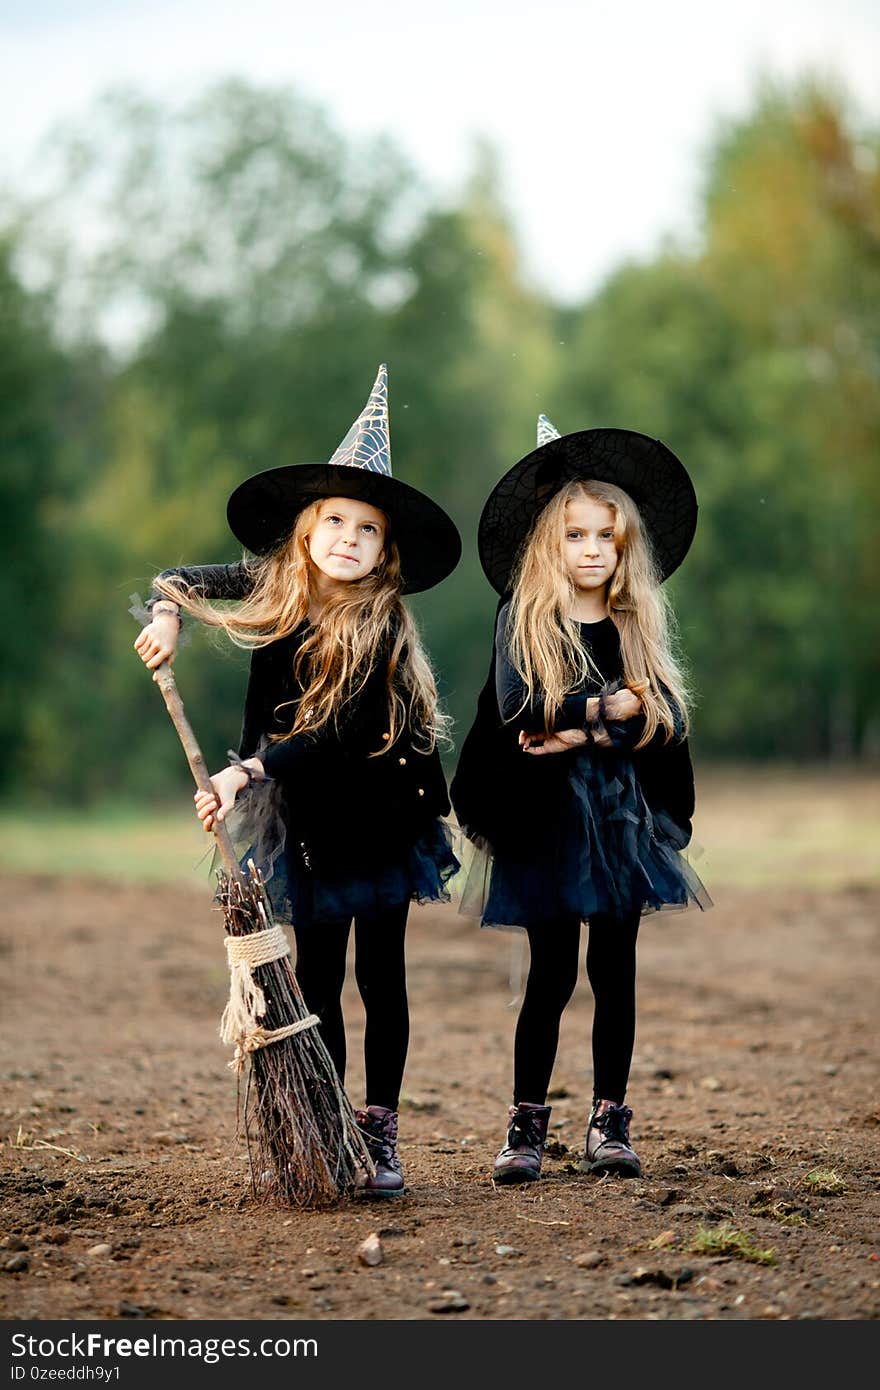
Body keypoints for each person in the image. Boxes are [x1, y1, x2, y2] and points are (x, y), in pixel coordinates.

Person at [134, 365, 461, 1196]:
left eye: (368, 529)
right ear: (307, 531)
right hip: (303, 823)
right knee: (316, 978)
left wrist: (246, 770)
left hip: (381, 815)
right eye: (335, 521)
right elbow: (181, 580)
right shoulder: (277, 589)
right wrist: (166, 617)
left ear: (386, 553)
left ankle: (381, 1132)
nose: (349, 537)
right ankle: (329, 1128)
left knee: (380, 976)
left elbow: (339, 729)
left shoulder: (380, 626)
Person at [451, 414, 709, 1184]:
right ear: (548, 543)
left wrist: (581, 727)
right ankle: (527, 1123)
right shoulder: (522, 619)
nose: (592, 550)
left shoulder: (635, 623)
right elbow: (518, 711)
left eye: (607, 538)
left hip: (623, 825)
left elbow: (662, 714)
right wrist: (603, 712)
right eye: (576, 536)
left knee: (616, 971)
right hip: (544, 823)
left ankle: (610, 1119)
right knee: (552, 972)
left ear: (624, 549)